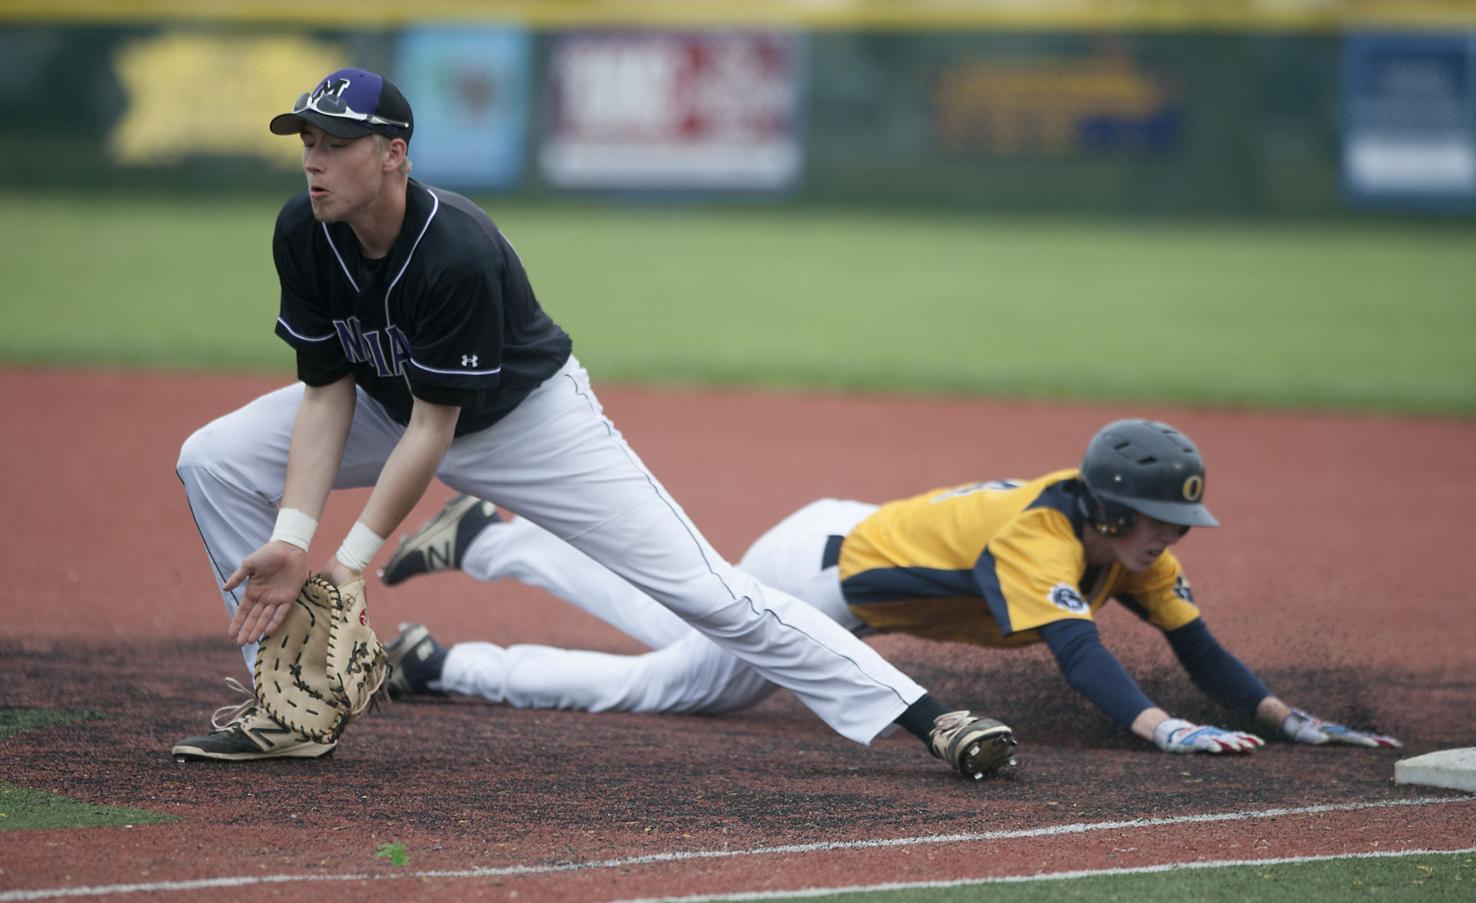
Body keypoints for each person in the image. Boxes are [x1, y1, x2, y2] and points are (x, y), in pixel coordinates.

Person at [169, 67, 1015, 780]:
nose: (314, 162)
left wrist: (349, 564)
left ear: (394, 154)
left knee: (705, 593)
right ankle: (289, 701)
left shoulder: (454, 247)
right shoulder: (303, 232)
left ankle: (925, 713)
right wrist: (294, 534)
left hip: (527, 426)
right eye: (308, 143)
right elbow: (327, 392)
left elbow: (438, 427)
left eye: (336, 143)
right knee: (211, 458)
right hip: (389, 408)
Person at [379, 419, 1402, 756]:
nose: (1176, 539)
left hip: (832, 541)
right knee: (670, 682)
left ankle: (489, 540)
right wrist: (1164, 732)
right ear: (1110, 510)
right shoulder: (1040, 541)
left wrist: (1284, 717)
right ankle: (437, 661)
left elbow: (1196, 645)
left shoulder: (1125, 548)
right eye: (1165, 521)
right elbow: (1082, 657)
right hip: (817, 575)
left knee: (672, 614)